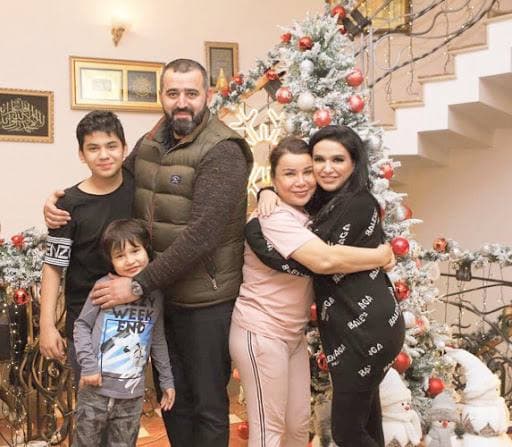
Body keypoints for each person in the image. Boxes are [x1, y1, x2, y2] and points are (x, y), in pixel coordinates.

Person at [44, 59, 253, 447]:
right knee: (173, 401)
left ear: (208, 95)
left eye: (191, 93)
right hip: (162, 296)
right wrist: (62, 202)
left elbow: (203, 235)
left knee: (207, 404)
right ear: (161, 97)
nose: (182, 102)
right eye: (173, 93)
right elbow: (109, 176)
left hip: (204, 301)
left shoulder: (223, 150)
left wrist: (137, 285)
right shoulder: (152, 142)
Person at [230, 136, 396, 447]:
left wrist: (265, 191)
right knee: (269, 432)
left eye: (307, 171)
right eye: (289, 174)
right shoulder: (274, 217)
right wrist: (380, 255)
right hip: (261, 331)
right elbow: (324, 260)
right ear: (274, 177)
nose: (301, 181)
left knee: (297, 427)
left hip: (292, 336)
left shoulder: (309, 214)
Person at [40, 110, 133, 377]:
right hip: (85, 325)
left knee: (129, 398)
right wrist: (46, 325)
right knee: (90, 400)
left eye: (111, 146)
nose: (104, 155)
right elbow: (53, 266)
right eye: (93, 148)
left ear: (125, 149)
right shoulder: (67, 205)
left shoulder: (139, 190)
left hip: (135, 318)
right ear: (81, 154)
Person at [73, 219, 175, 447]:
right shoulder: (104, 287)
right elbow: (81, 325)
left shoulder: (155, 294)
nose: (129, 260)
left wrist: (167, 381)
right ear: (110, 260)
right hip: (95, 392)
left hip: (131, 397)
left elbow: (157, 339)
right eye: (120, 255)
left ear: (147, 249)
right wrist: (88, 366)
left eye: (135, 251)